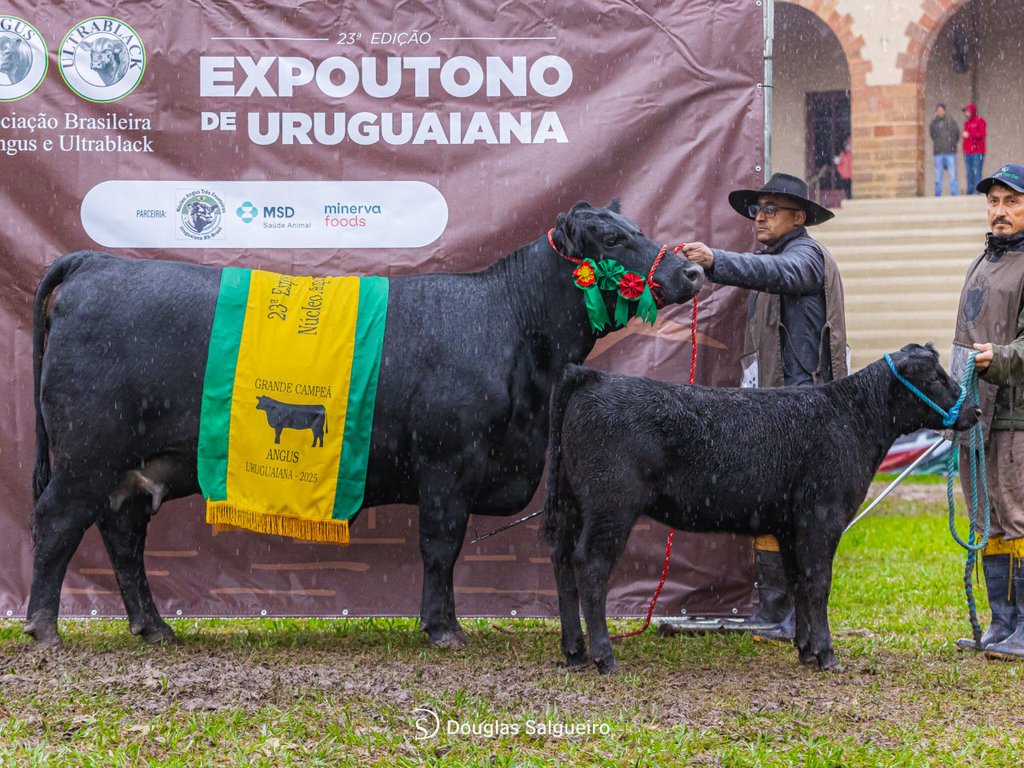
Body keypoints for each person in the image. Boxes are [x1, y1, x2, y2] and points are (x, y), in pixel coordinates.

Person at [680, 172, 849, 641]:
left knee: (801, 517)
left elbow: (775, 274)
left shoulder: (806, 256)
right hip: (777, 411)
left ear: (799, 218)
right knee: (772, 507)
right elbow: (762, 271)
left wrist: (715, 260)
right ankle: (774, 610)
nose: (759, 217)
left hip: (804, 413)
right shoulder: (775, 258)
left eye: (771, 210)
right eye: (757, 209)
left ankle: (797, 615)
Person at [953, 163, 1024, 660]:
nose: (999, 211)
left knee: (1018, 518)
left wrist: (998, 358)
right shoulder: (984, 259)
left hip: (1016, 415)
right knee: (990, 521)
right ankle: (1002, 624)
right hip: (976, 414)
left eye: (1011, 202)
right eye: (993, 201)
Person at [930, 104, 960, 196]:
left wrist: (951, 144)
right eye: (938, 110)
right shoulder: (933, 123)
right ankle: (937, 194)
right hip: (938, 152)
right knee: (938, 175)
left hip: (950, 152)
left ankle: (954, 194)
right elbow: (932, 135)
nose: (940, 112)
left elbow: (957, 134)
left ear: (944, 111)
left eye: (941, 110)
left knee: (952, 174)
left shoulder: (951, 121)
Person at [962, 103, 987, 194]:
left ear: (972, 111)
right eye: (965, 112)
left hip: (978, 151)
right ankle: (969, 191)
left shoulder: (980, 121)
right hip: (967, 152)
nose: (966, 113)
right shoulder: (966, 123)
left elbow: (982, 135)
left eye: (967, 111)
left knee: (977, 172)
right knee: (969, 172)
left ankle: (977, 191)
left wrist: (970, 134)